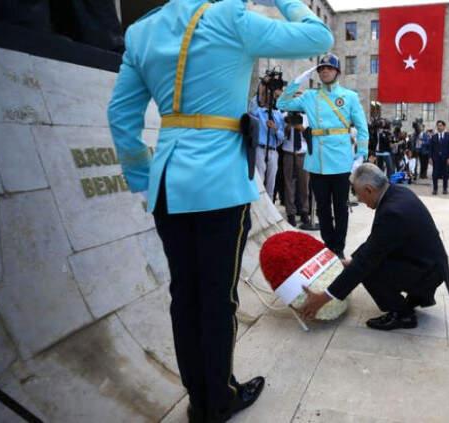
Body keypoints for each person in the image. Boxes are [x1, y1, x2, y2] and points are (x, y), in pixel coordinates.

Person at [107, 1, 333, 421]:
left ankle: (199, 396)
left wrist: (142, 175)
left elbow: (121, 114)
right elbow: (320, 37)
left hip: (168, 184)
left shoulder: (142, 31)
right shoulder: (229, 17)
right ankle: (219, 397)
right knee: (217, 298)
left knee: (185, 296)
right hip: (218, 184)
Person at [298, 163, 449, 330]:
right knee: (365, 261)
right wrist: (351, 260)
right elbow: (376, 242)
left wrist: (323, 298)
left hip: (427, 272)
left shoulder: (392, 212)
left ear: (369, 189)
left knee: (369, 270)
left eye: (358, 194)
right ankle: (414, 296)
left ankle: (403, 315)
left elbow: (365, 263)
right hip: (429, 263)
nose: (359, 199)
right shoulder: (397, 192)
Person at [277, 53, 369, 259]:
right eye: (321, 68)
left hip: (341, 160)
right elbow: (282, 104)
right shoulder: (310, 96)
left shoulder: (349, 96)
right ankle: (329, 248)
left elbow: (363, 129)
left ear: (337, 71)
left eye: (329, 68)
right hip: (317, 162)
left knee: (341, 208)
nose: (325, 71)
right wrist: (297, 80)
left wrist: (361, 155)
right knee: (322, 209)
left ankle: (339, 248)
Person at [252, 83, 285, 197]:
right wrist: (262, 85)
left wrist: (275, 128)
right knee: (259, 180)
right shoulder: (258, 112)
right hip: (260, 149)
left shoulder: (279, 115)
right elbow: (252, 106)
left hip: (273, 150)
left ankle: (269, 207)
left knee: (271, 182)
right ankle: (258, 205)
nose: (270, 99)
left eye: (274, 97)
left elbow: (281, 138)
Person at [281, 108, 310, 227]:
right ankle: (291, 213)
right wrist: (287, 127)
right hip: (288, 152)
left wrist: (301, 128)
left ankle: (304, 211)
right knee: (289, 184)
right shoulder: (284, 116)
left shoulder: (307, 117)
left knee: (304, 184)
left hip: (302, 153)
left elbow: (310, 135)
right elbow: (279, 134)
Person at [430, 120, 449, 195]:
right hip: (436, 159)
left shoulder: (448, 136)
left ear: (444, 126)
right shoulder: (434, 137)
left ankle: (445, 189)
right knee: (435, 174)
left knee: (445, 174)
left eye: (440, 125)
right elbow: (431, 148)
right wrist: (430, 158)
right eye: (438, 126)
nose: (439, 127)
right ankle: (435, 189)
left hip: (445, 159)